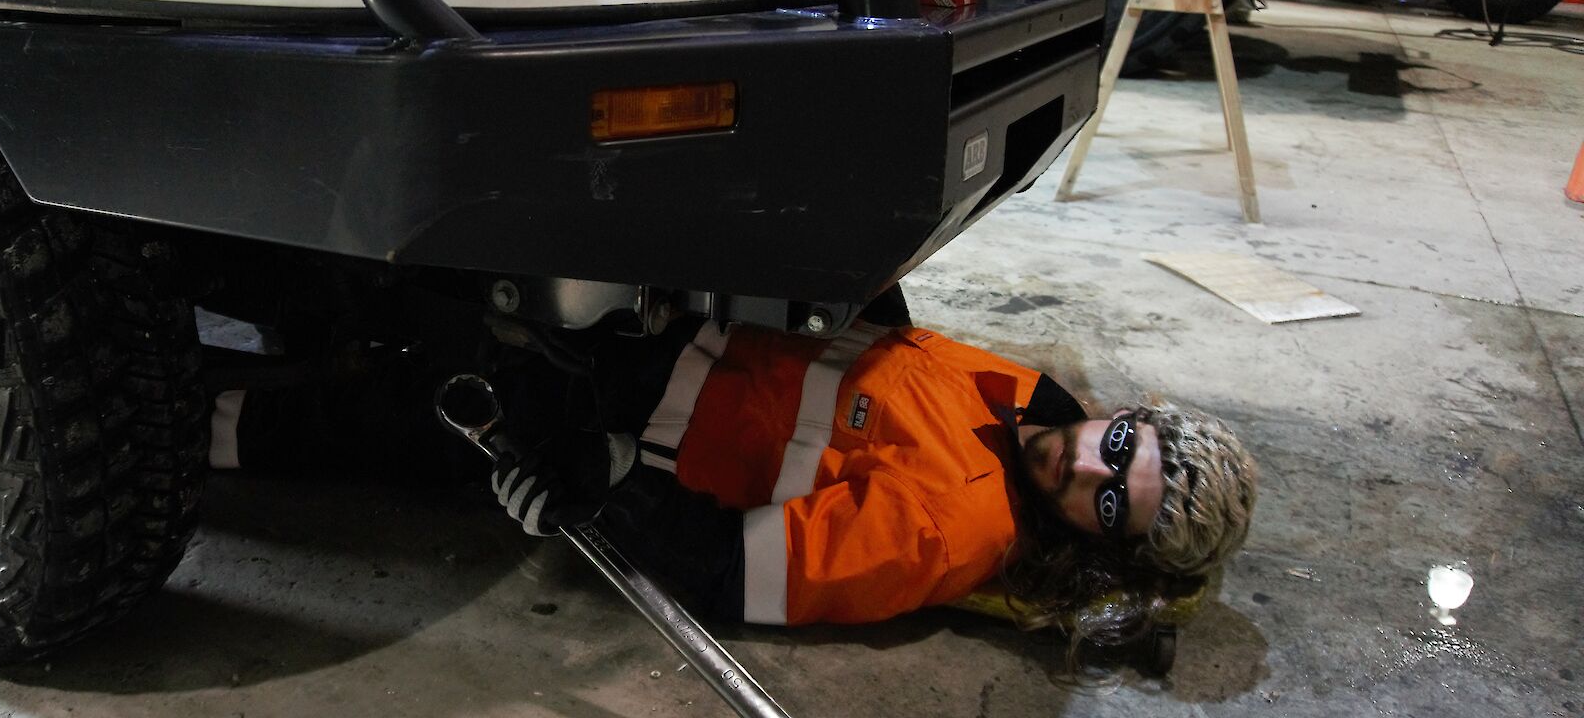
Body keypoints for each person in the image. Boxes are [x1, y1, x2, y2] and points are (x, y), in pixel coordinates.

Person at [211, 295, 1258, 652]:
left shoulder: (953, 531)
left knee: (386, 429)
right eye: (1119, 449)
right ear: (1128, 416)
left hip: (630, 416)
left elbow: (733, 573)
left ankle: (199, 425)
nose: (1085, 466)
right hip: (664, 332)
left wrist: (603, 485)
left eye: (1108, 503)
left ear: (1093, 538)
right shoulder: (1031, 394)